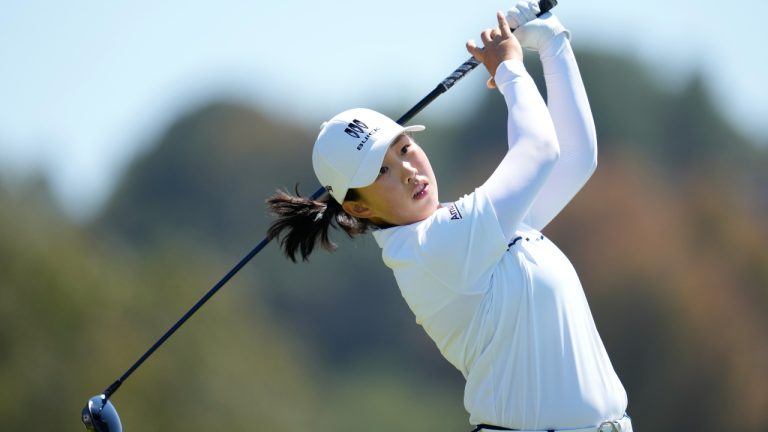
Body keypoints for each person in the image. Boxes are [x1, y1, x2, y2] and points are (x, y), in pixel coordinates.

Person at [267, 3, 632, 431]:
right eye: (381, 171)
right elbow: (539, 151)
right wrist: (511, 68)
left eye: (403, 149)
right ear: (358, 208)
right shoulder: (431, 247)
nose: (408, 171)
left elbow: (573, 159)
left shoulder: (474, 230)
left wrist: (552, 43)